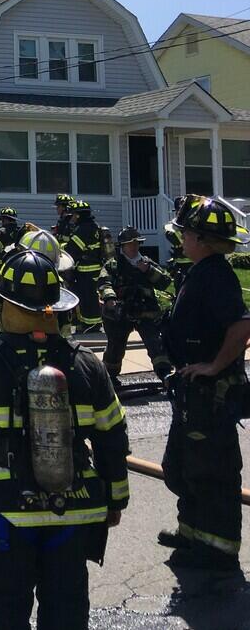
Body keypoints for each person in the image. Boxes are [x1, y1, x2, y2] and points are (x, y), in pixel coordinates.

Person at [0, 249, 130, 629]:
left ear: (5, 303)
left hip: (8, 515)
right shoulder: (86, 364)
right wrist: (115, 499)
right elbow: (112, 436)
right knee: (66, 612)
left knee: (4, 613)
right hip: (72, 515)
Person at [158, 195, 250, 571]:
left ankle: (218, 551)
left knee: (212, 473)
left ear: (201, 239)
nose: (181, 239)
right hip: (192, 393)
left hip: (211, 395)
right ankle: (192, 534)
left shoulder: (216, 276)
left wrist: (214, 366)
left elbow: (241, 326)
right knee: (184, 467)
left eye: (185, 234)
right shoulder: (201, 271)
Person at [98, 227, 173, 382]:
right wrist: (110, 299)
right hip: (121, 313)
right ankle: (109, 378)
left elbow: (165, 282)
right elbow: (104, 283)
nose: (134, 247)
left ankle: (165, 374)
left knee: (155, 343)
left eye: (136, 243)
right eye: (130, 244)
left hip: (145, 312)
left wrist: (149, 270)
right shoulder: (113, 265)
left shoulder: (146, 262)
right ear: (122, 246)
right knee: (115, 347)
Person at [63, 200, 104, 332]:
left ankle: (92, 325)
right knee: (89, 296)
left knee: (88, 298)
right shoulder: (92, 226)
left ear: (78, 215)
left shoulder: (83, 229)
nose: (71, 218)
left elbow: (73, 249)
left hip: (87, 270)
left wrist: (60, 250)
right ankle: (89, 323)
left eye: (73, 215)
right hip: (92, 269)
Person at [163, 197, 193, 292]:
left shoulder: (193, 228)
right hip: (180, 264)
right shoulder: (171, 230)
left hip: (193, 263)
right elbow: (170, 234)